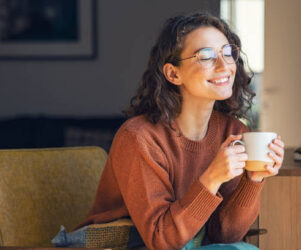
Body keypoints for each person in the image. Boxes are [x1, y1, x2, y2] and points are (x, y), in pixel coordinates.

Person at [76, 12, 285, 249]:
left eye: (228, 53)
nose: (224, 65)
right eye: (206, 56)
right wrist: (212, 177)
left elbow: (224, 236)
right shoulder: (138, 138)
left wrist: (253, 179)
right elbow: (161, 240)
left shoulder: (232, 131)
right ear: (173, 74)